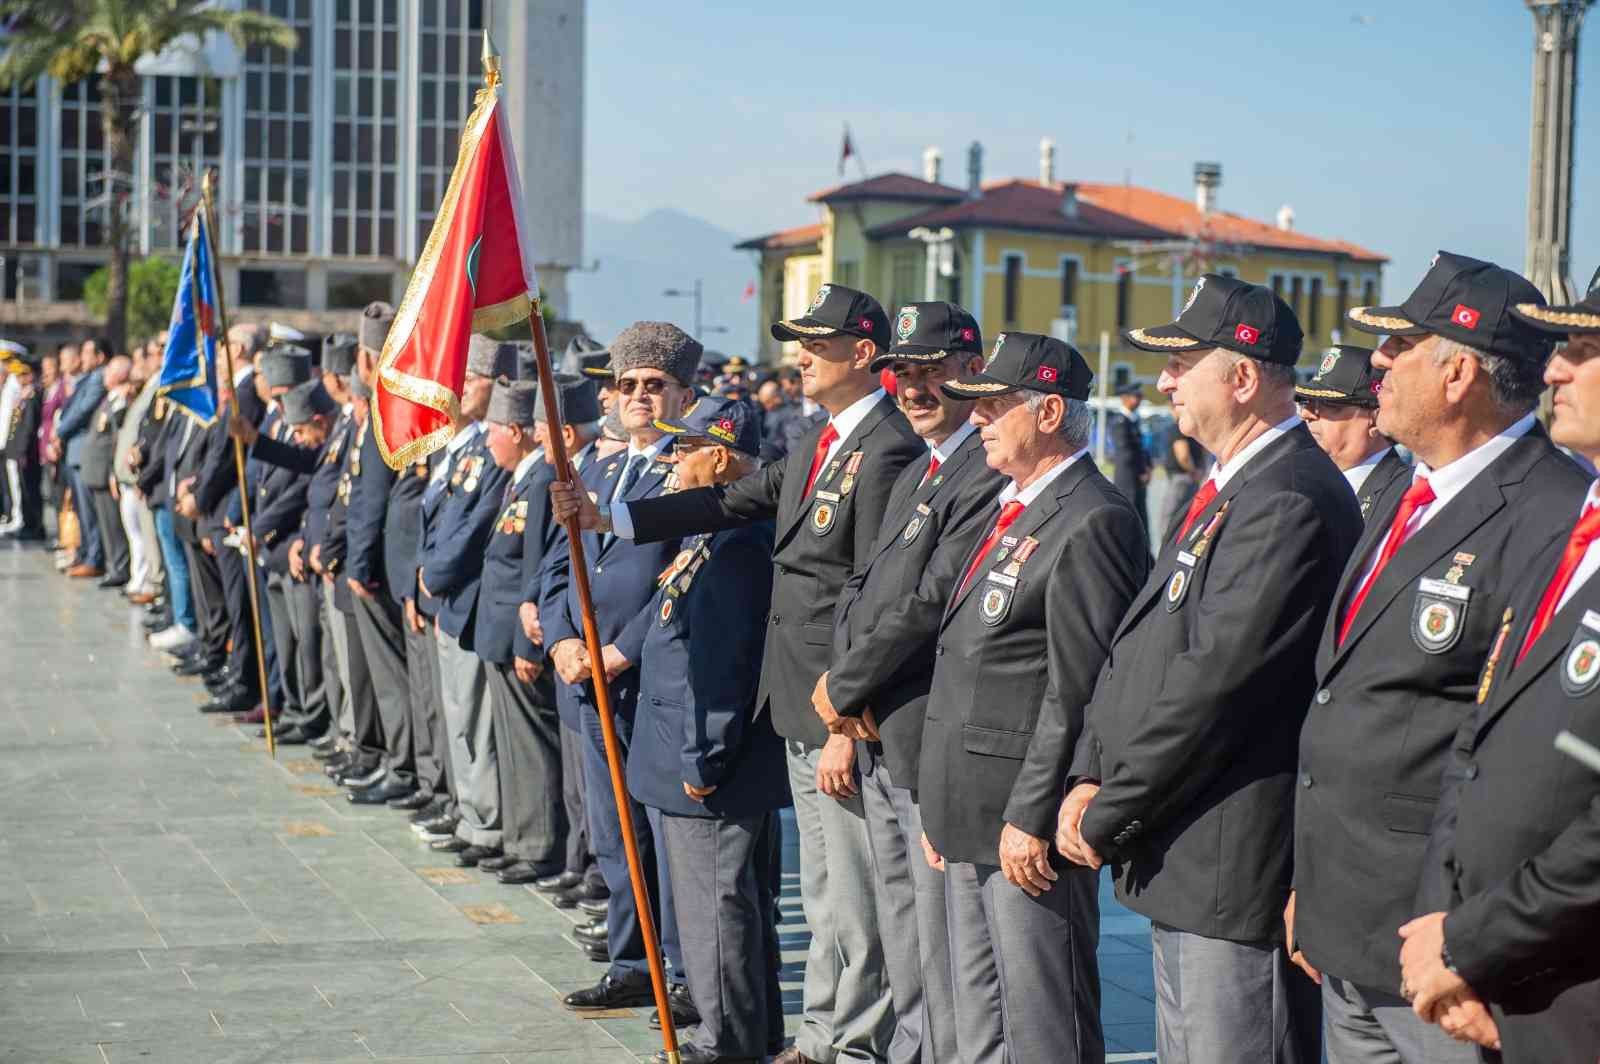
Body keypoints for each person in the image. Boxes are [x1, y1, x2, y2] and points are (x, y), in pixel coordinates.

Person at [587, 286, 925, 1064]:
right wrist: (617, 519)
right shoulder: (817, 440)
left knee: (856, 896)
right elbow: (737, 499)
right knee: (824, 894)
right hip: (799, 706)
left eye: (817, 342)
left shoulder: (889, 450)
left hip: (839, 709)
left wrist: (847, 714)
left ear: (864, 354)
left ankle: (857, 1043)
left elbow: (871, 596)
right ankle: (821, 1033)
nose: (800, 354)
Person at [1291, 252, 1590, 1064]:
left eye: (1399, 348)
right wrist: (1312, 887)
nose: (1375, 365)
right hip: (1349, 920)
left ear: (1458, 371)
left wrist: (1463, 940)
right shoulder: (1401, 490)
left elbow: (1506, 746)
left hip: (1442, 939)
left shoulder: (1550, 508)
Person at [1060, 274, 1363, 1064]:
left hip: (1230, 860)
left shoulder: (1287, 497)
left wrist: (1109, 805)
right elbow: (1142, 651)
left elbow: (1215, 683)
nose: (1163, 382)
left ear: (1241, 376)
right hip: (1186, 848)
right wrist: (1088, 772)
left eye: (1181, 361)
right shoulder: (1236, 485)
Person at [911, 333, 1147, 1062]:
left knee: (1045, 1020)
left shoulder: (1091, 517)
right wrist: (939, 793)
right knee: (974, 1012)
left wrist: (1032, 813)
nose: (976, 419)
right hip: (966, 802)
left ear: (1048, 414)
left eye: (995, 405)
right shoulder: (1009, 506)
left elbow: (1077, 690)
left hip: (1021, 818)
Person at [1399, 264, 1600, 1062]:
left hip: (1568, 990)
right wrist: (1440, 934)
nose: (1554, 367)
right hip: (1500, 973)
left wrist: (1470, 942)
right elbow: (1479, 741)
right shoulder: (1573, 526)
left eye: (1583, 349)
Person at [555, 395, 790, 1064]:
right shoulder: (713, 535)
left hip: (709, 764)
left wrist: (703, 758)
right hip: (684, 749)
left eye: (683, 450)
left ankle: (728, 1041)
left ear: (717, 458)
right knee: (718, 909)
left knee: (718, 913)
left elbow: (726, 664)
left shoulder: (742, 544)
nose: (672, 460)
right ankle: (751, 1033)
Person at [815, 301, 1003, 1063]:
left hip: (924, 726)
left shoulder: (985, 468)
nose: (916, 388)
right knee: (903, 922)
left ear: (973, 369)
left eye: (934, 370)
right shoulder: (923, 466)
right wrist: (847, 693)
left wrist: (846, 685)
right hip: (878, 723)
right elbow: (863, 585)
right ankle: (913, 1050)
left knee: (940, 933)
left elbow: (933, 600)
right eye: (904, 372)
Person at [543, 322, 698, 1012]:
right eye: (627, 384)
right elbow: (556, 566)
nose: (638, 396)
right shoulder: (601, 469)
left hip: (647, 677)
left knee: (663, 836)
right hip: (585, 675)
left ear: (684, 396)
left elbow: (686, 576)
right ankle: (632, 960)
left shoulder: (692, 471)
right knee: (614, 834)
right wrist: (560, 640)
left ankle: (689, 971)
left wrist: (619, 650)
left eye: (654, 385)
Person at [417, 336, 517, 865]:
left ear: (498, 384)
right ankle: (469, 810)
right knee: (457, 712)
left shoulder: (494, 450)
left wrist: (435, 574)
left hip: (472, 598)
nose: (457, 389)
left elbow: (474, 527)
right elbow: (440, 515)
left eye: (470, 379)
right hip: (450, 599)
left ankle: (485, 820)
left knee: (474, 716)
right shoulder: (464, 448)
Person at [474, 377, 569, 887]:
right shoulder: (520, 478)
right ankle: (520, 837)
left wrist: (527, 642)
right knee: (511, 745)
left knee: (531, 745)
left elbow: (532, 571)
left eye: (494, 430)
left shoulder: (539, 482)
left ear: (516, 431)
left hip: (519, 637)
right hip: (498, 631)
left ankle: (538, 845)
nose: (488, 440)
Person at [525, 374, 611, 907]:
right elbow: (555, 562)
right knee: (581, 778)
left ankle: (602, 877)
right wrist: (556, 634)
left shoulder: (598, 475)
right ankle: (586, 862)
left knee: (601, 783)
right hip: (569, 642)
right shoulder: (579, 473)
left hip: (608, 652)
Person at [1295, 345, 1411, 519]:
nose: (1307, 413)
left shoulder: (1404, 496)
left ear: (1376, 419)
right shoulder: (1302, 484)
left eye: (1329, 405)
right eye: (1307, 402)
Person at [78, 355, 134, 590]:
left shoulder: (120, 400)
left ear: (121, 375)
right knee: (105, 523)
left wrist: (113, 470)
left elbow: (115, 438)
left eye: (110, 371)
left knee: (113, 525)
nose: (104, 375)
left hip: (105, 471)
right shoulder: (109, 398)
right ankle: (113, 565)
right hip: (95, 470)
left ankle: (119, 567)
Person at [56, 337, 109, 577]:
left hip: (82, 451)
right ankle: (85, 552)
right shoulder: (87, 378)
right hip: (74, 451)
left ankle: (94, 557)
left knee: (88, 511)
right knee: (80, 509)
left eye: (88, 353)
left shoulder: (98, 378)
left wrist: (59, 432)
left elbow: (82, 411)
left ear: (100, 357)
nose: (82, 358)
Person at [1110, 382, 1152, 533]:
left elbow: (1142, 448)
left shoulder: (1133, 420)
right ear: (1125, 398)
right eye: (1137, 396)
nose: (1139, 400)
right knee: (1130, 514)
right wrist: (1141, 470)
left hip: (1138, 476)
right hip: (1128, 476)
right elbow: (1126, 452)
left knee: (1141, 517)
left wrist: (1148, 467)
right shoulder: (1120, 421)